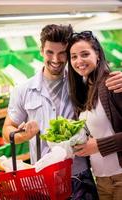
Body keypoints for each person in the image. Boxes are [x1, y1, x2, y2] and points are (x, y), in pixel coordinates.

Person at [3, 24, 122, 200]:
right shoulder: (23, 90)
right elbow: (8, 129)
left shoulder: (81, 83)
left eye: (62, 53)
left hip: (80, 175)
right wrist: (22, 135)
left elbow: (103, 80)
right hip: (43, 177)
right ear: (41, 50)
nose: (56, 59)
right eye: (50, 52)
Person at [67, 30, 122, 200]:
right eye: (73, 56)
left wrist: (99, 145)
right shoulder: (85, 88)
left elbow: (98, 142)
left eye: (85, 54)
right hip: (101, 179)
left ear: (97, 55)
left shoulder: (113, 83)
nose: (79, 61)